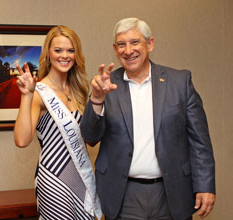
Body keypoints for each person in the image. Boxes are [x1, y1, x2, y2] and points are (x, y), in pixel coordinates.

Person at [80, 18, 216, 220]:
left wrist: (205, 185)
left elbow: (200, 141)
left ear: (150, 44)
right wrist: (97, 99)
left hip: (171, 191)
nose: (128, 50)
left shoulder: (180, 82)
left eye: (135, 42)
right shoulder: (106, 85)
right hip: (123, 194)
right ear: (115, 50)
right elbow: (90, 137)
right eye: (121, 44)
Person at [14, 25, 102, 220]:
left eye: (71, 50)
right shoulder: (39, 92)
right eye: (58, 50)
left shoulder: (79, 90)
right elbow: (21, 140)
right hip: (54, 178)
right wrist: (26, 95)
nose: (65, 56)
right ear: (48, 54)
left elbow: (89, 138)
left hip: (82, 179)